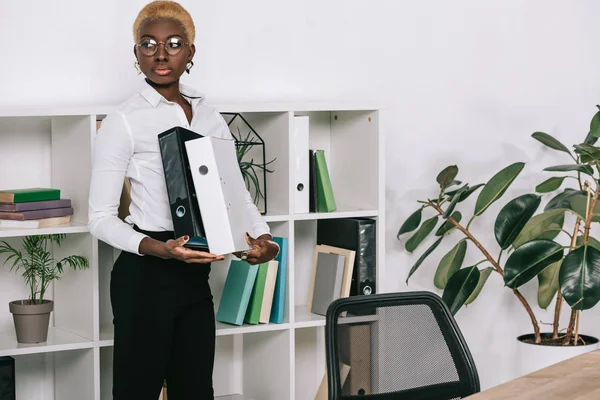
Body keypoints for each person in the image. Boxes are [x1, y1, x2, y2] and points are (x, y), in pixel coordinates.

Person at [87, 1, 279, 399]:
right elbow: (100, 218)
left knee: (195, 390)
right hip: (144, 278)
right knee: (136, 391)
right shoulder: (124, 120)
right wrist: (160, 249)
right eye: (148, 44)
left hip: (194, 276)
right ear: (136, 53)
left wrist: (264, 239)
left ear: (191, 51)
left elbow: (234, 191)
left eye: (173, 43)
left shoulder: (209, 116)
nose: (160, 54)